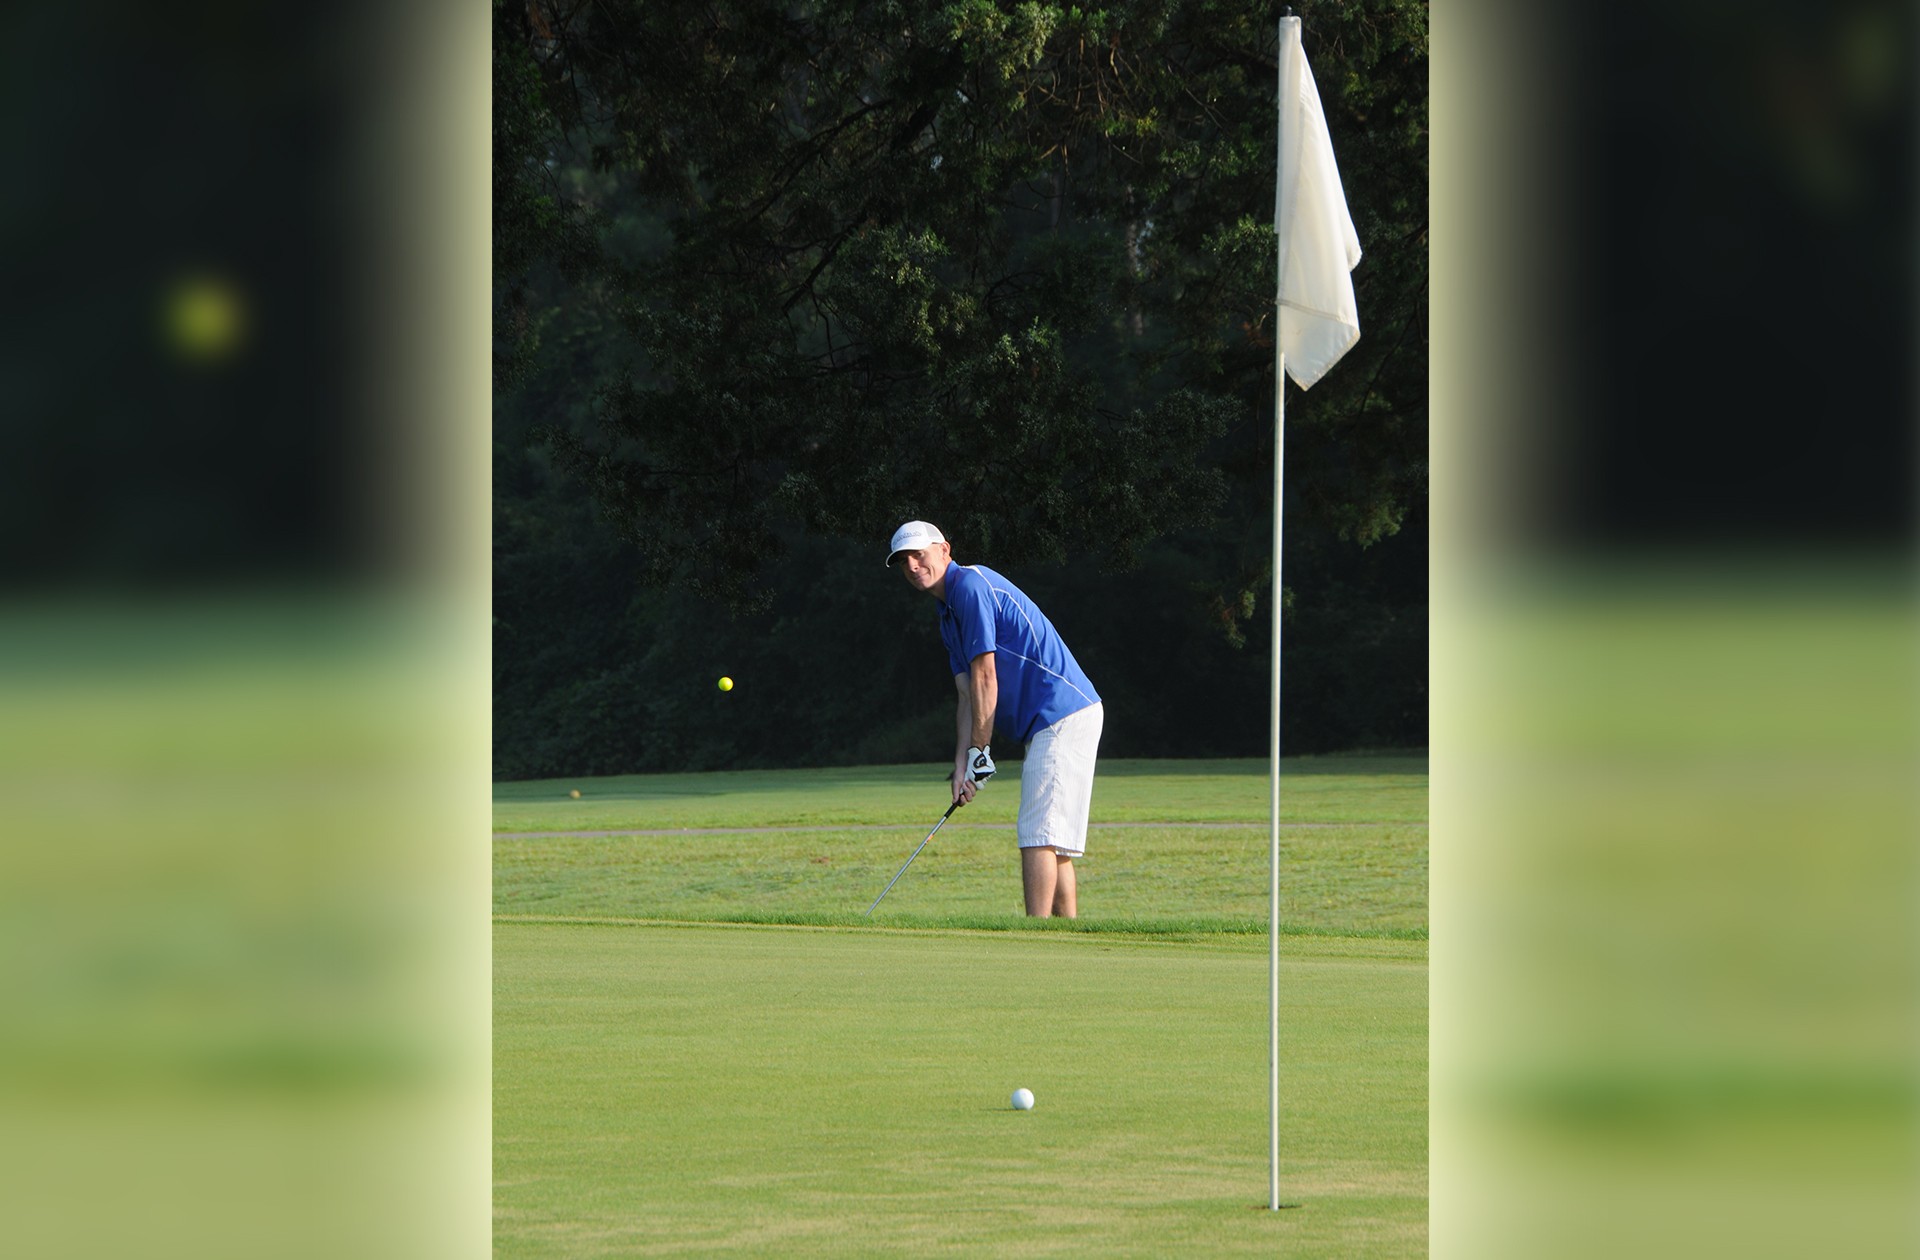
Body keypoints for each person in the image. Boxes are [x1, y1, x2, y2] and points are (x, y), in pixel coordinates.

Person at [886, 520, 1104, 917]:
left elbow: (987, 675)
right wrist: (961, 766)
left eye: (920, 554)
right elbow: (968, 694)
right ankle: (1067, 937)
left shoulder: (969, 587)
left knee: (1037, 834)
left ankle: (1036, 942)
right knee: (1051, 839)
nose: (914, 565)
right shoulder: (946, 613)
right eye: (904, 561)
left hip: (1061, 711)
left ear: (944, 550)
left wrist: (980, 751)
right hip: (1057, 717)